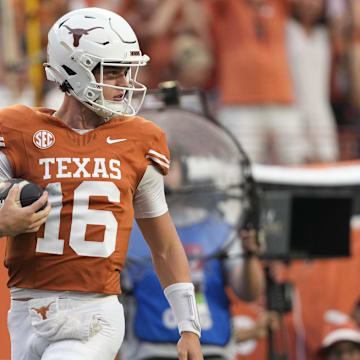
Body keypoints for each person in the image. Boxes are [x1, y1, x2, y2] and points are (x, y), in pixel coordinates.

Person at [0, 7, 203, 360]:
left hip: (92, 314)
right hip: (25, 313)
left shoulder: (140, 140)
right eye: (113, 71)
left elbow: (165, 246)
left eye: (127, 71)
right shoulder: (19, 129)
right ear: (73, 68)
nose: (125, 82)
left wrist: (189, 327)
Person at [121, 139, 265, 360]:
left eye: (169, 166)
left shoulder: (218, 227)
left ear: (186, 171)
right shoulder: (129, 229)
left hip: (213, 349)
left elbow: (248, 292)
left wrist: (249, 256)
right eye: (153, 168)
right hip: (149, 350)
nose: (161, 174)